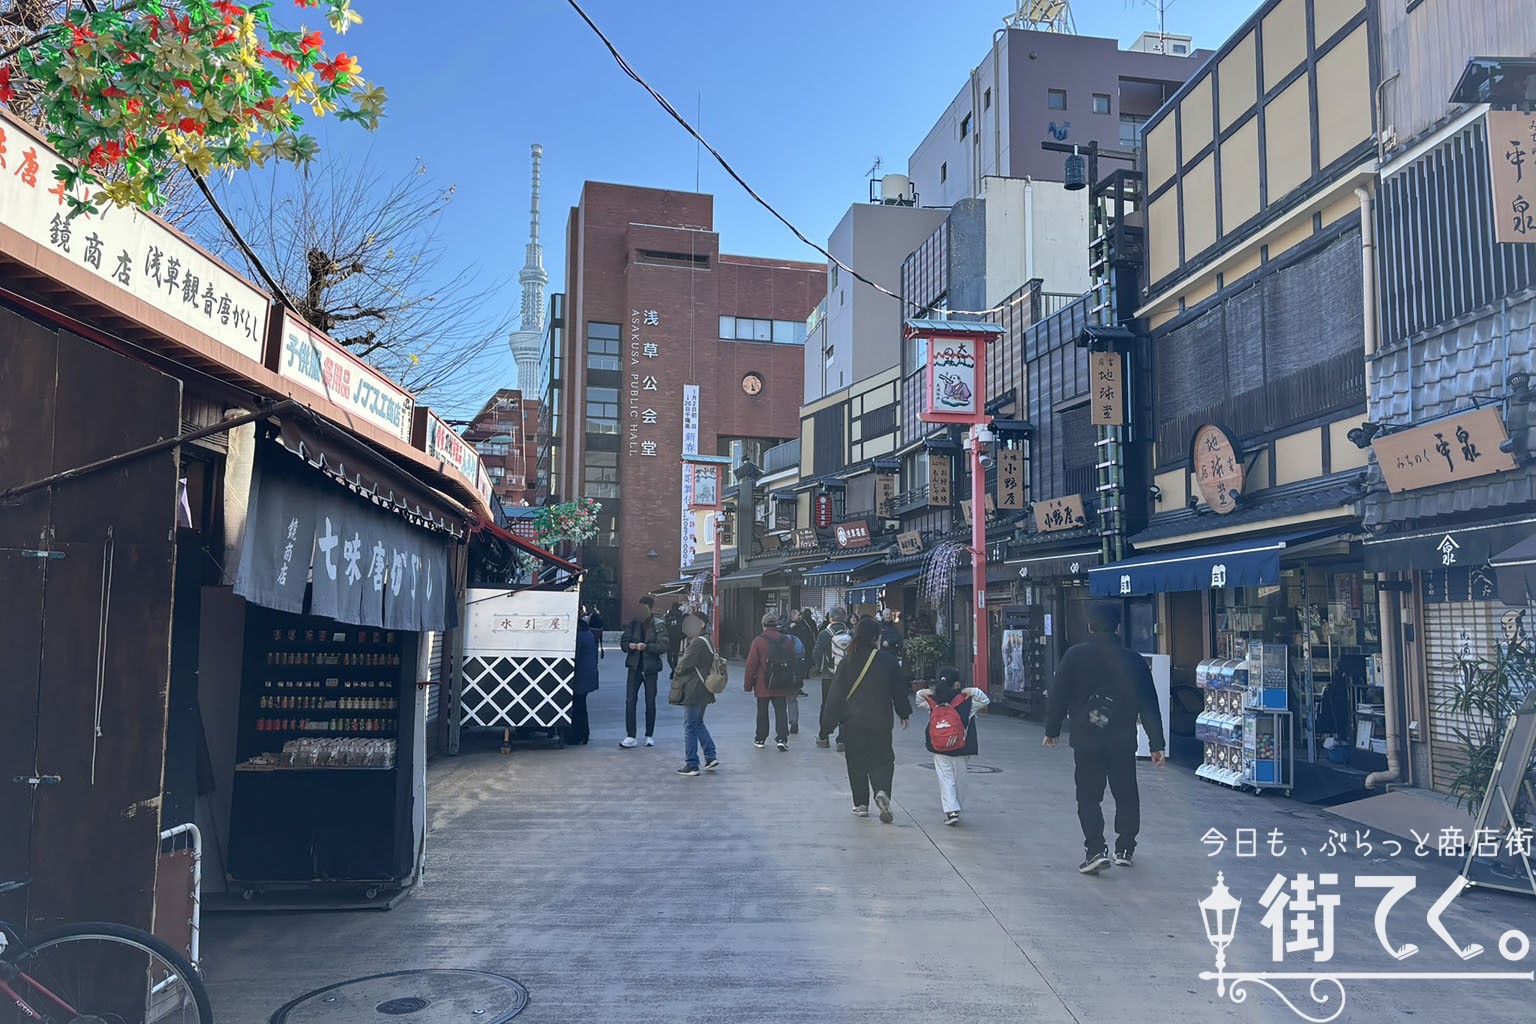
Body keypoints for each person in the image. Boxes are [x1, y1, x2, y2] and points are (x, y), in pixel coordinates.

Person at [1044, 602, 1167, 875]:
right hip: (1122, 740)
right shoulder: (1134, 660)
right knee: (1126, 794)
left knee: (1088, 796)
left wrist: (1052, 730)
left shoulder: (1075, 656)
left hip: (1086, 740)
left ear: (1090, 626)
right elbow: (1149, 703)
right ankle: (1125, 849)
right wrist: (1157, 743)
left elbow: (1059, 695)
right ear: (1118, 627)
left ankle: (1095, 850)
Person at [821, 617, 911, 822]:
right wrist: (904, 713)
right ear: (876, 638)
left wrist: (826, 727)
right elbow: (899, 689)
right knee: (883, 759)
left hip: (853, 723)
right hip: (881, 721)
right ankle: (882, 791)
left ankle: (861, 804)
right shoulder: (887, 661)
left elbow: (835, 696)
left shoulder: (847, 661)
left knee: (856, 761)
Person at [915, 667, 990, 825]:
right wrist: (972, 690)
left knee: (945, 778)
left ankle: (951, 810)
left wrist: (925, 692)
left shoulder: (933, 701)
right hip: (961, 747)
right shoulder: (967, 701)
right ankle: (957, 807)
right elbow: (985, 700)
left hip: (939, 747)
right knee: (960, 779)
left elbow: (918, 699)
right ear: (957, 684)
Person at [668, 612, 720, 776]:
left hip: (693, 688)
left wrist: (678, 668)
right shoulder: (708, 640)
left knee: (690, 726)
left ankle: (692, 764)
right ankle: (710, 756)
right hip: (704, 688)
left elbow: (683, 665)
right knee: (698, 723)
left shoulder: (698, 643)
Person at [744, 613, 799, 751]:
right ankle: (782, 738)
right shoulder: (786, 640)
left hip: (763, 683)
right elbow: (793, 660)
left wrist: (748, 684)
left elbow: (751, 664)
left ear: (763, 625)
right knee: (781, 710)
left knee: (762, 711)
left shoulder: (758, 641)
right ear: (776, 624)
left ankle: (760, 738)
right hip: (782, 681)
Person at [619, 595, 669, 749]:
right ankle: (631, 735)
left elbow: (663, 645)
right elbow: (623, 642)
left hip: (650, 668)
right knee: (630, 701)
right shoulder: (632, 623)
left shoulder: (658, 624)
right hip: (634, 667)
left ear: (650, 609)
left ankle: (649, 735)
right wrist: (629, 646)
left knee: (650, 702)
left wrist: (647, 647)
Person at [811, 607, 854, 751]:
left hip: (829, 676)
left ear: (831, 618)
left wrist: (821, 667)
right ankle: (842, 740)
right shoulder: (850, 633)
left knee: (827, 705)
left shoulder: (824, 634)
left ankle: (823, 736)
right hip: (847, 676)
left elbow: (816, 653)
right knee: (845, 706)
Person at [567, 613, 599, 745]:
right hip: (588, 675)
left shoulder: (579, 636)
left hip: (581, 676)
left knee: (577, 706)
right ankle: (584, 734)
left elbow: (576, 657)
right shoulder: (588, 633)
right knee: (581, 705)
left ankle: (578, 735)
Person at [665, 601, 686, 677]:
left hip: (669, 637)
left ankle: (672, 668)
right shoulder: (680, 615)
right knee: (676, 654)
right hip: (677, 637)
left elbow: (665, 626)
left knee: (669, 654)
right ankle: (674, 669)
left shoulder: (668, 615)